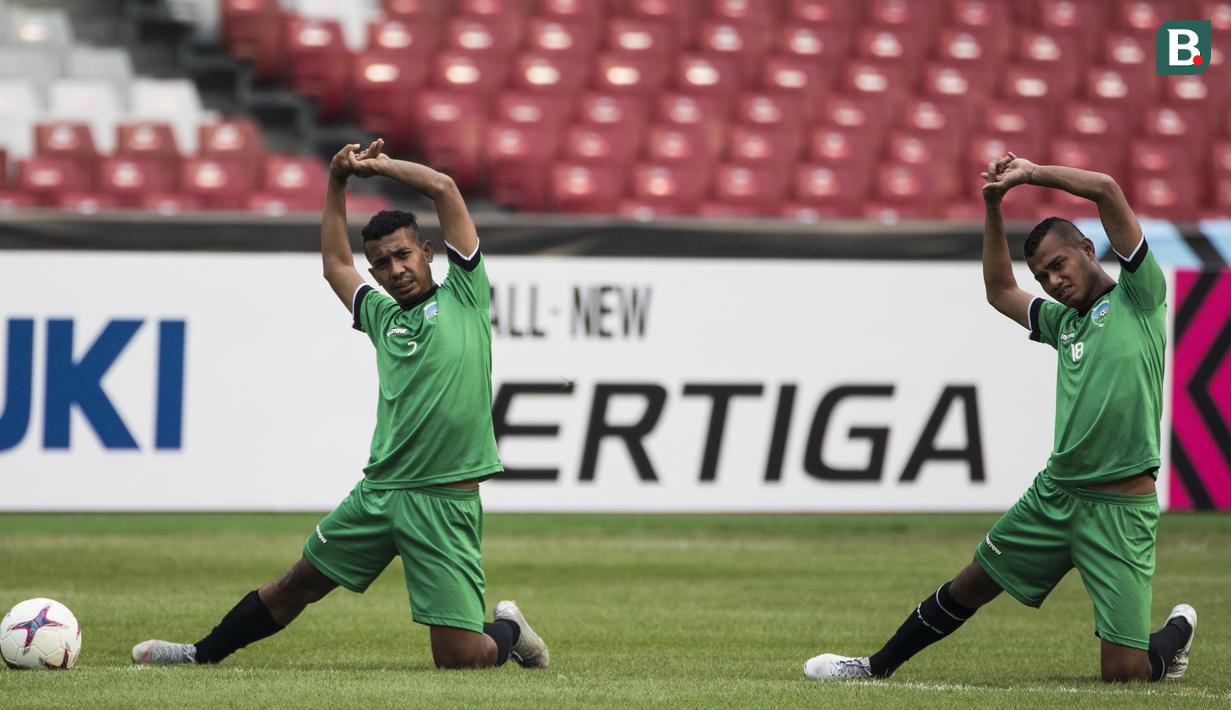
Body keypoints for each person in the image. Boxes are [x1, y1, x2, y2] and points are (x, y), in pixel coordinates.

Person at [132, 139, 548, 670]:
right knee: (297, 583)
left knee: (459, 660)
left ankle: (510, 628)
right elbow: (334, 264)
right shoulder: (382, 317)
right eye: (382, 263)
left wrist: (383, 167)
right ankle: (199, 654)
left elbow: (444, 188)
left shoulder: (465, 294)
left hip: (444, 501)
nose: (395, 269)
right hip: (380, 493)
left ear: (427, 252)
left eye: (403, 254)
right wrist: (335, 181)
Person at [803, 154, 1195, 684]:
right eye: (1043, 275)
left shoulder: (1140, 296)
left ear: (1087, 248)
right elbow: (1000, 291)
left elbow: (1105, 187)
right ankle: (873, 667)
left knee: (1125, 675)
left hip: (1122, 512)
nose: (1053, 281)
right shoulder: (1062, 323)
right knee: (971, 583)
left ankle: (1174, 634)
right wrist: (993, 207)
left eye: (1059, 265)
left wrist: (1032, 174)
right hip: (1056, 496)